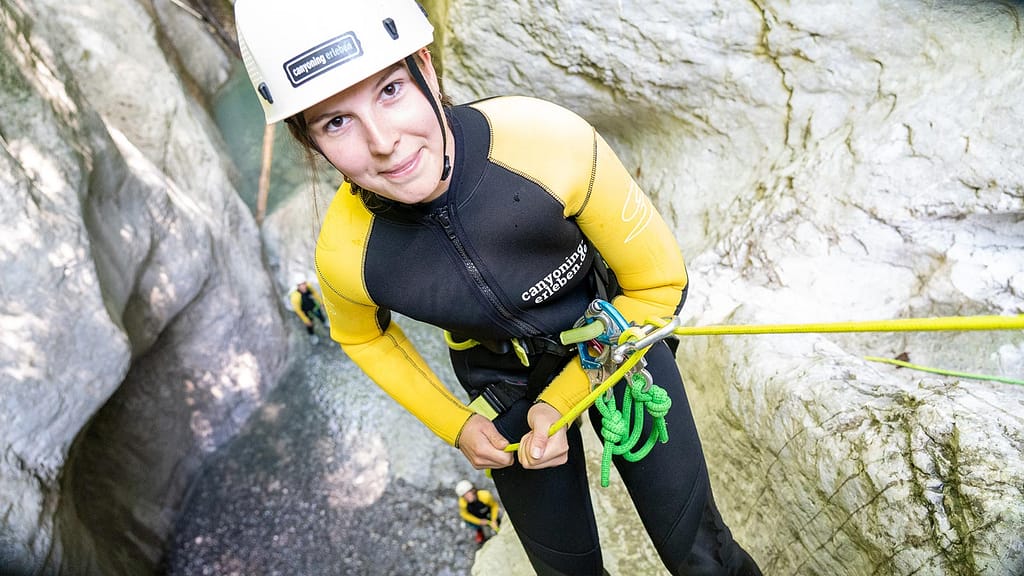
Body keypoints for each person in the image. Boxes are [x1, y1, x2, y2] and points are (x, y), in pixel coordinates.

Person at [234, 1, 763, 574]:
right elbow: (361, 337)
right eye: (336, 121)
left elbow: (658, 287)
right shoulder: (348, 255)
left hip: (617, 342)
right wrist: (458, 426)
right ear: (310, 141)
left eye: (390, 90)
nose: (384, 141)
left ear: (425, 68)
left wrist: (560, 402)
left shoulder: (545, 144)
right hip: (506, 389)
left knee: (703, 558)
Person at [455, 480, 501, 544]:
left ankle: (497, 524)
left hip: (487, 512)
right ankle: (479, 531)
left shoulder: (485, 496)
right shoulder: (463, 503)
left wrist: (494, 519)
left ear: (473, 490)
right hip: (476, 515)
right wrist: (479, 522)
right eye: (464, 495)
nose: (468, 497)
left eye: (469, 493)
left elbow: (494, 506)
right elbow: (465, 515)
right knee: (469, 523)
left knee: (497, 521)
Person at [290, 278, 327, 344]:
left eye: (304, 283)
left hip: (313, 306)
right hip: (306, 311)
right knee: (310, 325)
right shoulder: (295, 297)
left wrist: (321, 302)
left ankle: (324, 322)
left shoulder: (308, 287)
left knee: (320, 315)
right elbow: (298, 310)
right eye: (301, 285)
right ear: (297, 286)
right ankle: (312, 335)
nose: (304, 286)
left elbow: (315, 293)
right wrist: (305, 320)